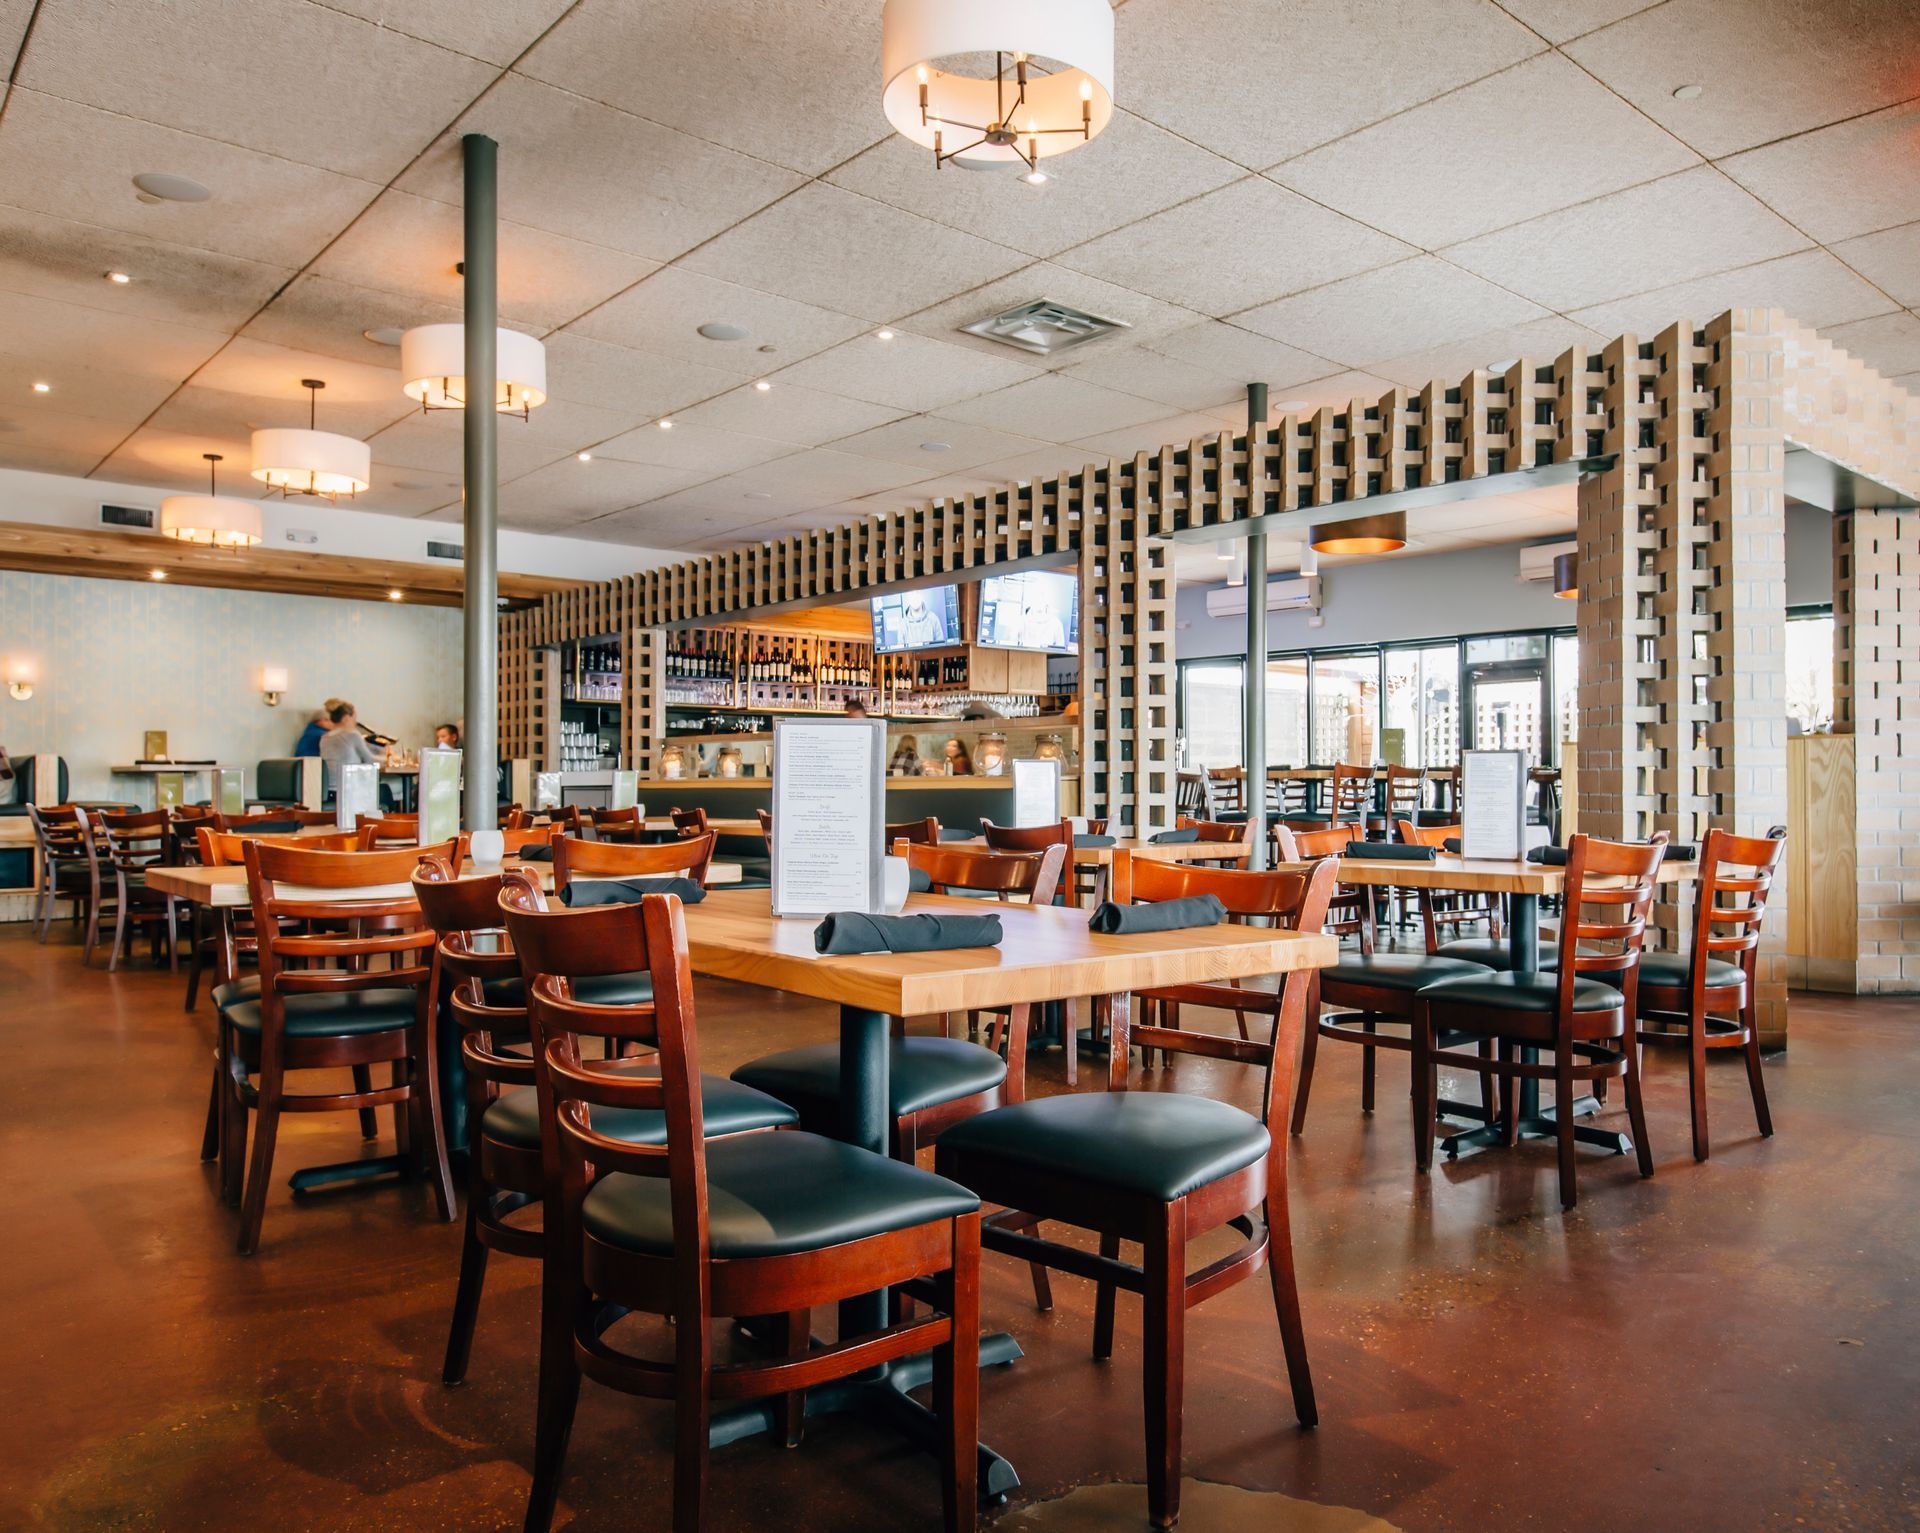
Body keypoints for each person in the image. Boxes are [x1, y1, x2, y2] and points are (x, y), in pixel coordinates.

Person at [319, 700, 378, 797]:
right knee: (385, 791)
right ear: (346, 718)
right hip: (349, 792)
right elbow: (370, 761)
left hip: (329, 792)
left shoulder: (324, 738)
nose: (355, 722)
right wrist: (389, 759)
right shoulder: (352, 735)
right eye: (354, 718)